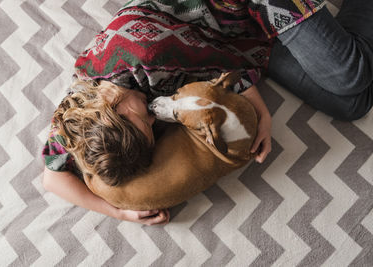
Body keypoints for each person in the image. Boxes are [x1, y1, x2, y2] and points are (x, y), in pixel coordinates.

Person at [42, 0, 372, 226]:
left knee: (350, 76)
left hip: (230, 11)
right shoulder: (78, 120)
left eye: (145, 120)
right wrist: (119, 214)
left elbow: (225, 65)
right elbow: (52, 178)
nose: (154, 119)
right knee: (351, 104)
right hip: (229, 38)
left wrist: (263, 115)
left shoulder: (148, 55)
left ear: (117, 106)